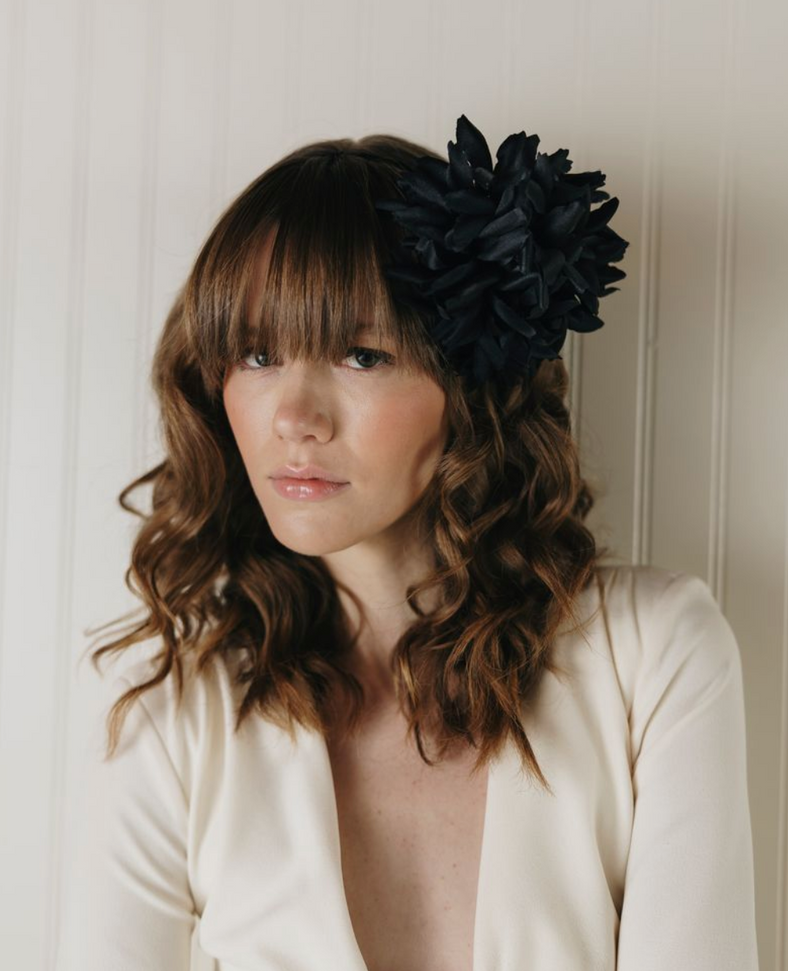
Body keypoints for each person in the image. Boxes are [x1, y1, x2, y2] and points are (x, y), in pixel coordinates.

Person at [55, 117, 759, 971]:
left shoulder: (653, 654)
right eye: (257, 354)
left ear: (468, 384)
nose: (294, 418)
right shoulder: (170, 714)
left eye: (361, 355)